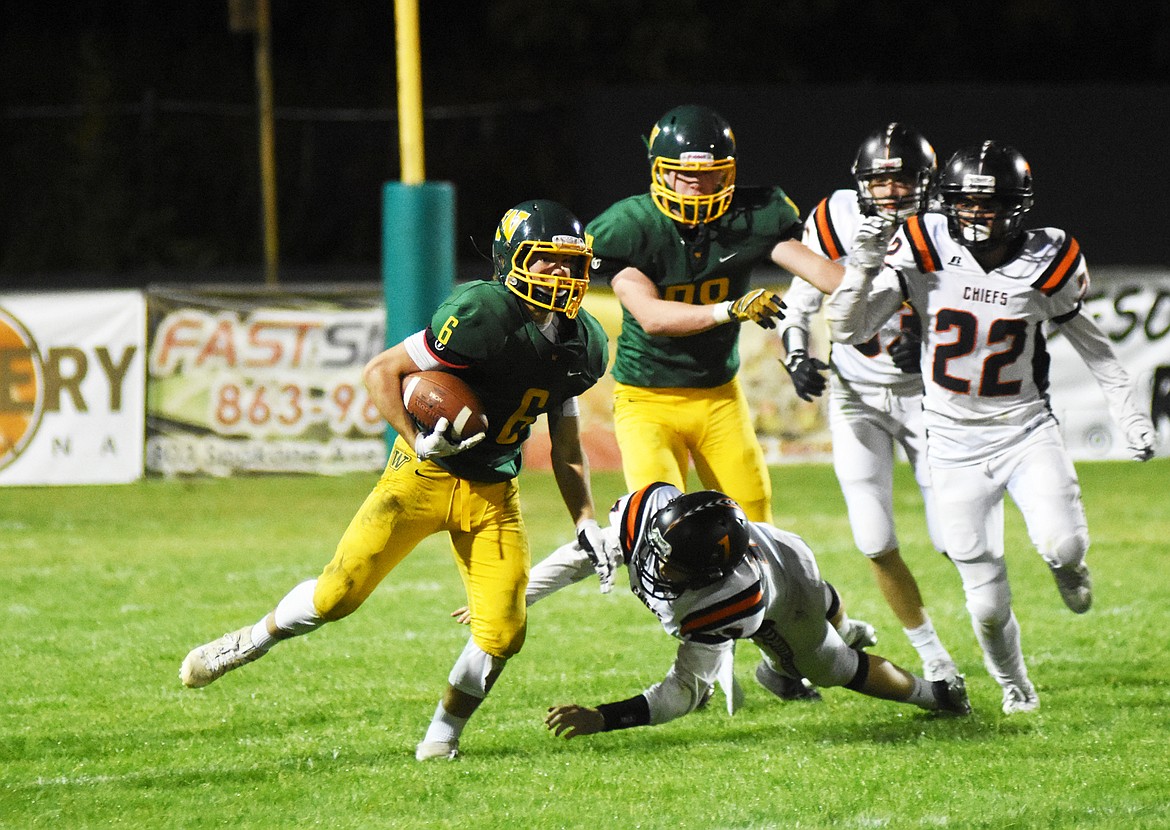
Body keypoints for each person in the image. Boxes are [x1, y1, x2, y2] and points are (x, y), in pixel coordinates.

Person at [180, 199, 613, 760]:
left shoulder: (585, 343)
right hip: (422, 476)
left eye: (572, 263)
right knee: (337, 596)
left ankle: (442, 737)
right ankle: (250, 640)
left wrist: (584, 520)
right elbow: (381, 372)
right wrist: (416, 437)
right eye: (548, 261)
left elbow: (567, 444)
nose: (563, 275)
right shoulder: (481, 312)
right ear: (513, 259)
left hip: (492, 494)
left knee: (504, 632)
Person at [825, 141, 1156, 714]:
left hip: (1026, 429)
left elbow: (1096, 350)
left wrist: (1129, 415)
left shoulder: (1048, 258)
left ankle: (1069, 566)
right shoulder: (924, 245)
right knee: (983, 602)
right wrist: (862, 266)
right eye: (966, 203)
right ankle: (1016, 686)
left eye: (992, 204)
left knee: (1065, 541)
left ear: (1018, 206)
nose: (978, 215)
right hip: (951, 442)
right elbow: (847, 329)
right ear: (948, 203)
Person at [586, 104, 844, 702]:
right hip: (647, 402)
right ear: (658, 171)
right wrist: (731, 309)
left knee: (760, 535)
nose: (697, 186)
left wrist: (879, 267)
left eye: (710, 174)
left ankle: (781, 665)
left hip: (719, 400)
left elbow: (826, 275)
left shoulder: (758, 213)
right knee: (666, 533)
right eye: (684, 173)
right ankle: (697, 671)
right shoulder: (628, 226)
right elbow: (651, 316)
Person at [542, 483, 971, 740]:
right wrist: (514, 598)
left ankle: (937, 695)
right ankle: (842, 627)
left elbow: (685, 689)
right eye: (660, 552)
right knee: (816, 606)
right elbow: (585, 555)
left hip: (785, 583)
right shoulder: (649, 516)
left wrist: (605, 717)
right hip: (776, 549)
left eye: (674, 565)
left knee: (829, 665)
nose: (658, 566)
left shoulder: (730, 597)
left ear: (708, 573)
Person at [777, 123, 959, 683]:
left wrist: (933, 336)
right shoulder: (835, 216)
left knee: (956, 537)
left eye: (903, 180)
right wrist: (797, 354)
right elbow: (802, 300)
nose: (891, 192)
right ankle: (933, 656)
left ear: (925, 184)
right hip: (858, 396)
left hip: (929, 398)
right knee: (875, 541)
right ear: (861, 184)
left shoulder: (952, 224)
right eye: (880, 181)